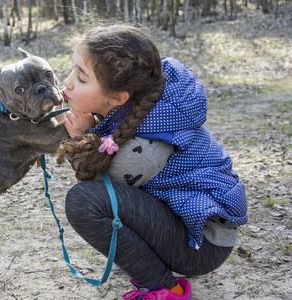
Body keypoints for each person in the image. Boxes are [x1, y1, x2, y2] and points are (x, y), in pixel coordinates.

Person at [56, 24, 247, 300]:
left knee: (83, 202)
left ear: (118, 97)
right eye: (73, 69)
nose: (68, 82)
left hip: (203, 244)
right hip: (197, 227)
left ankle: (165, 289)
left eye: (82, 78)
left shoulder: (144, 149)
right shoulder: (145, 101)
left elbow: (102, 185)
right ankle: (151, 261)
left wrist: (82, 137)